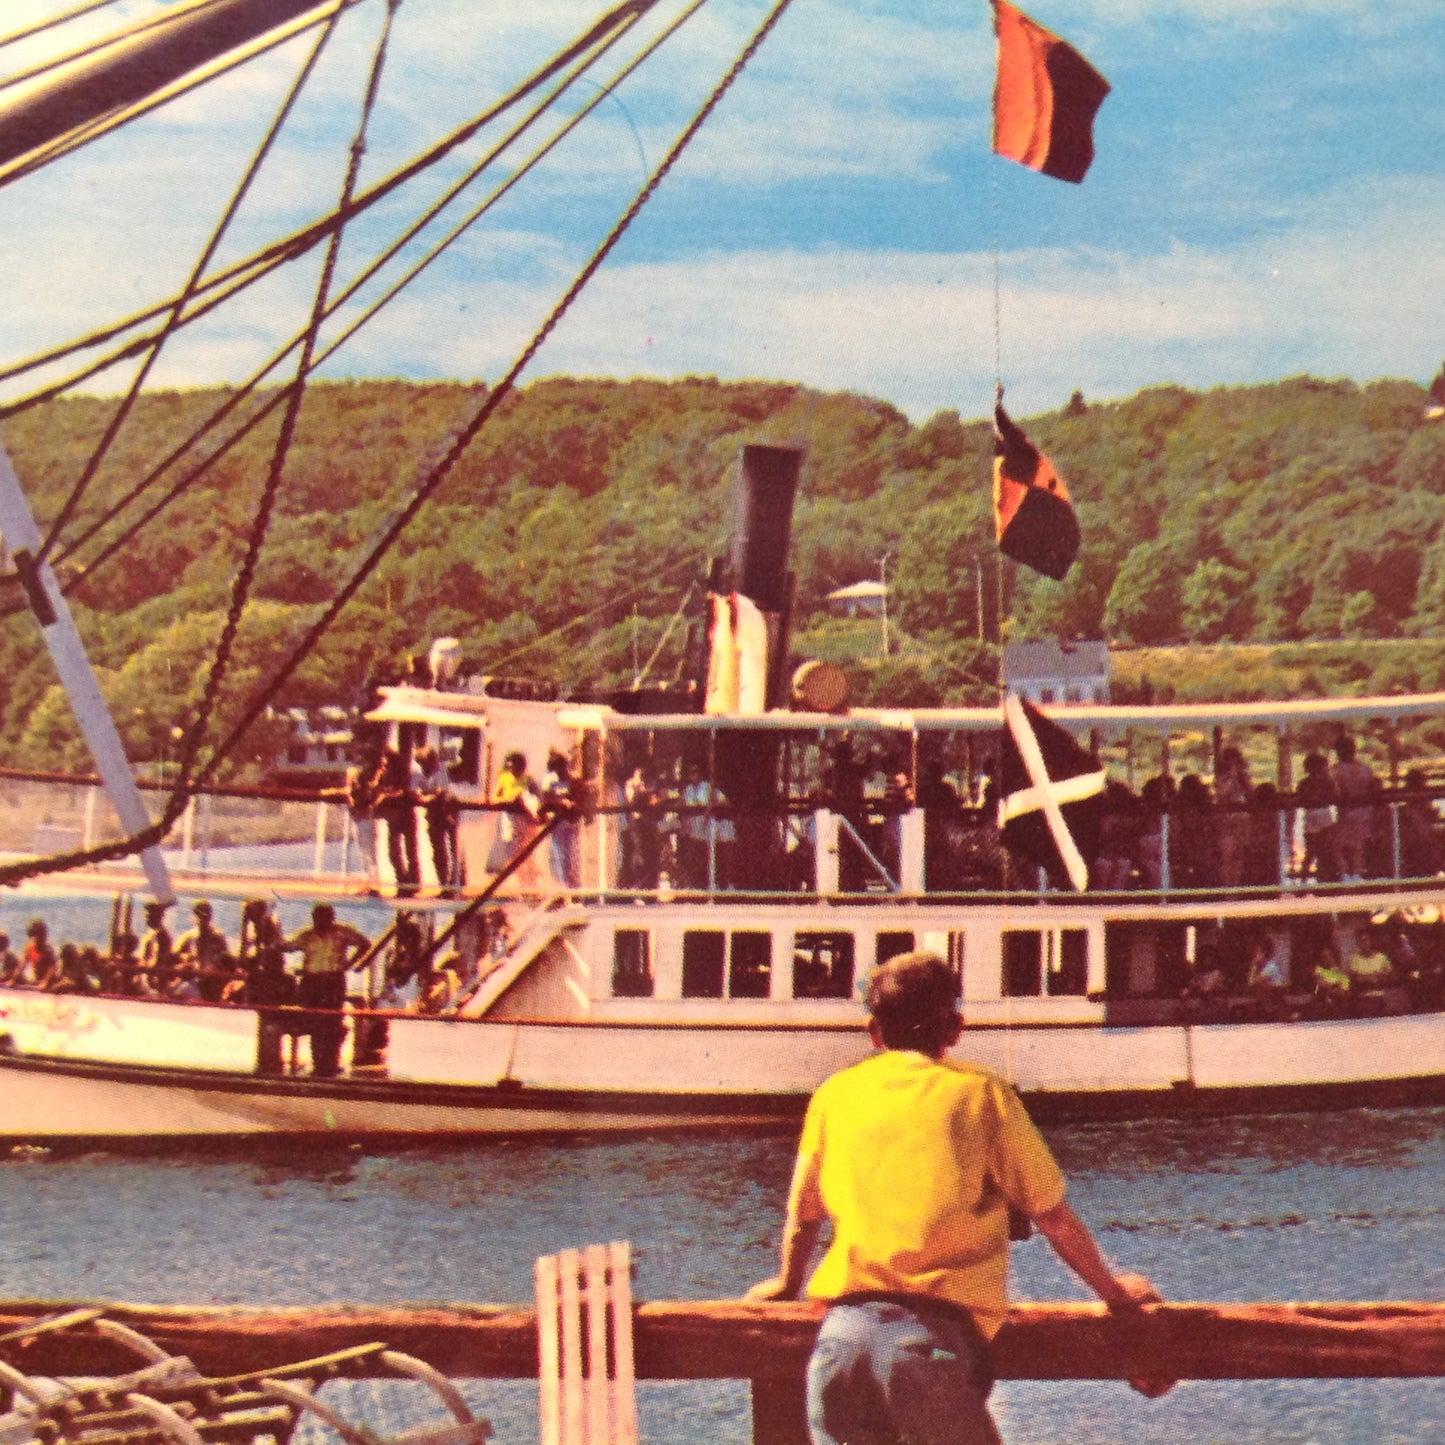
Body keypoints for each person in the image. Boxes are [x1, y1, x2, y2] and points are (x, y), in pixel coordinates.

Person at [747, 952, 1167, 1445]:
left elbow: (804, 1215)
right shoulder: (980, 1093)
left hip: (839, 1346)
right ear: (955, 1028)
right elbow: (1051, 1216)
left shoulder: (833, 1095)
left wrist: (786, 1283)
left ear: (874, 1031)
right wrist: (1113, 1294)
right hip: (930, 1349)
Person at [284, 904, 371, 1077]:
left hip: (333, 982)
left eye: (324, 917)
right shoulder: (307, 935)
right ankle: (318, 1064)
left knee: (332, 1024)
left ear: (331, 917)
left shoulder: (342, 932)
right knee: (314, 1023)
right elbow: (289, 946)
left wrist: (350, 963)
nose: (320, 921)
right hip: (312, 982)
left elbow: (365, 944)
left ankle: (331, 1064)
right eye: (317, 917)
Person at [373, 747, 420, 896]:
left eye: (386, 761)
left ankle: (413, 884)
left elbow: (403, 791)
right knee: (393, 852)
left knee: (410, 850)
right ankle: (402, 882)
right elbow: (375, 788)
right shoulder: (383, 773)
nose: (384, 763)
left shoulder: (403, 774)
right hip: (393, 816)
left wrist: (386, 796)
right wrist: (378, 777)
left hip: (406, 815)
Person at [417, 745, 463, 894]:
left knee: (453, 848)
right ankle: (443, 884)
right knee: (438, 850)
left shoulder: (440, 769)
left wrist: (426, 796)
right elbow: (422, 792)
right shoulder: (422, 773)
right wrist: (426, 796)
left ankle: (455, 883)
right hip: (434, 814)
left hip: (447, 811)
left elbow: (440, 792)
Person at [487, 750, 539, 876]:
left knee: (526, 853)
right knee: (511, 849)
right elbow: (494, 798)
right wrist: (510, 799)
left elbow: (538, 797)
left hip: (526, 820)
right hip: (510, 818)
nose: (511, 769)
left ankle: (529, 886)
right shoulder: (505, 779)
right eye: (510, 766)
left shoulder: (528, 780)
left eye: (515, 766)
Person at [1332, 738, 1377, 882]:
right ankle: (1355, 872)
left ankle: (1346, 872)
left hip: (1349, 810)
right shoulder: (1365, 769)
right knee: (1358, 844)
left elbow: (1337, 791)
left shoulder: (1337, 770)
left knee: (1340, 842)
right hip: (1364, 811)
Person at [175, 900, 233, 1002]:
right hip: (194, 981)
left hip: (213, 982)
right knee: (178, 992)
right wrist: (184, 959)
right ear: (194, 915)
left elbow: (227, 960)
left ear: (210, 916)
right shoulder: (188, 937)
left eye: (206, 913)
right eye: (199, 913)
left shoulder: (218, 937)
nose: (203, 917)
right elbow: (173, 956)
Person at [540, 749, 581, 889]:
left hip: (570, 820)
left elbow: (578, 796)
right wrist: (561, 802)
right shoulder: (550, 779)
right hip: (556, 820)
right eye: (556, 767)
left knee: (569, 854)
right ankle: (560, 885)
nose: (559, 770)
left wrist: (573, 802)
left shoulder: (571, 779)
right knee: (557, 853)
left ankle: (569, 885)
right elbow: (546, 797)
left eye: (561, 766)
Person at [1296, 752, 1338, 884]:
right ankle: (1304, 882)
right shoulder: (1306, 783)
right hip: (1315, 819)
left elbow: (1335, 796)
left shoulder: (1327, 783)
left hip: (1322, 818)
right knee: (1312, 852)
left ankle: (1323, 879)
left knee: (1321, 852)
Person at [138, 900, 176, 991]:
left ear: (159, 916)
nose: (147, 919)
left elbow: (157, 960)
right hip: (147, 977)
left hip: (152, 981)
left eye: (149, 916)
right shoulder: (152, 933)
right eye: (146, 916)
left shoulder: (160, 935)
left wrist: (143, 969)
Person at [18, 918, 57, 988]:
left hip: (51, 980)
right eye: (37, 934)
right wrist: (13, 979)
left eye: (42, 934)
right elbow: (23, 964)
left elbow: (53, 967)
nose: (40, 937)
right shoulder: (30, 947)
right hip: (38, 979)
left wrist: (45, 982)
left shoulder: (48, 949)